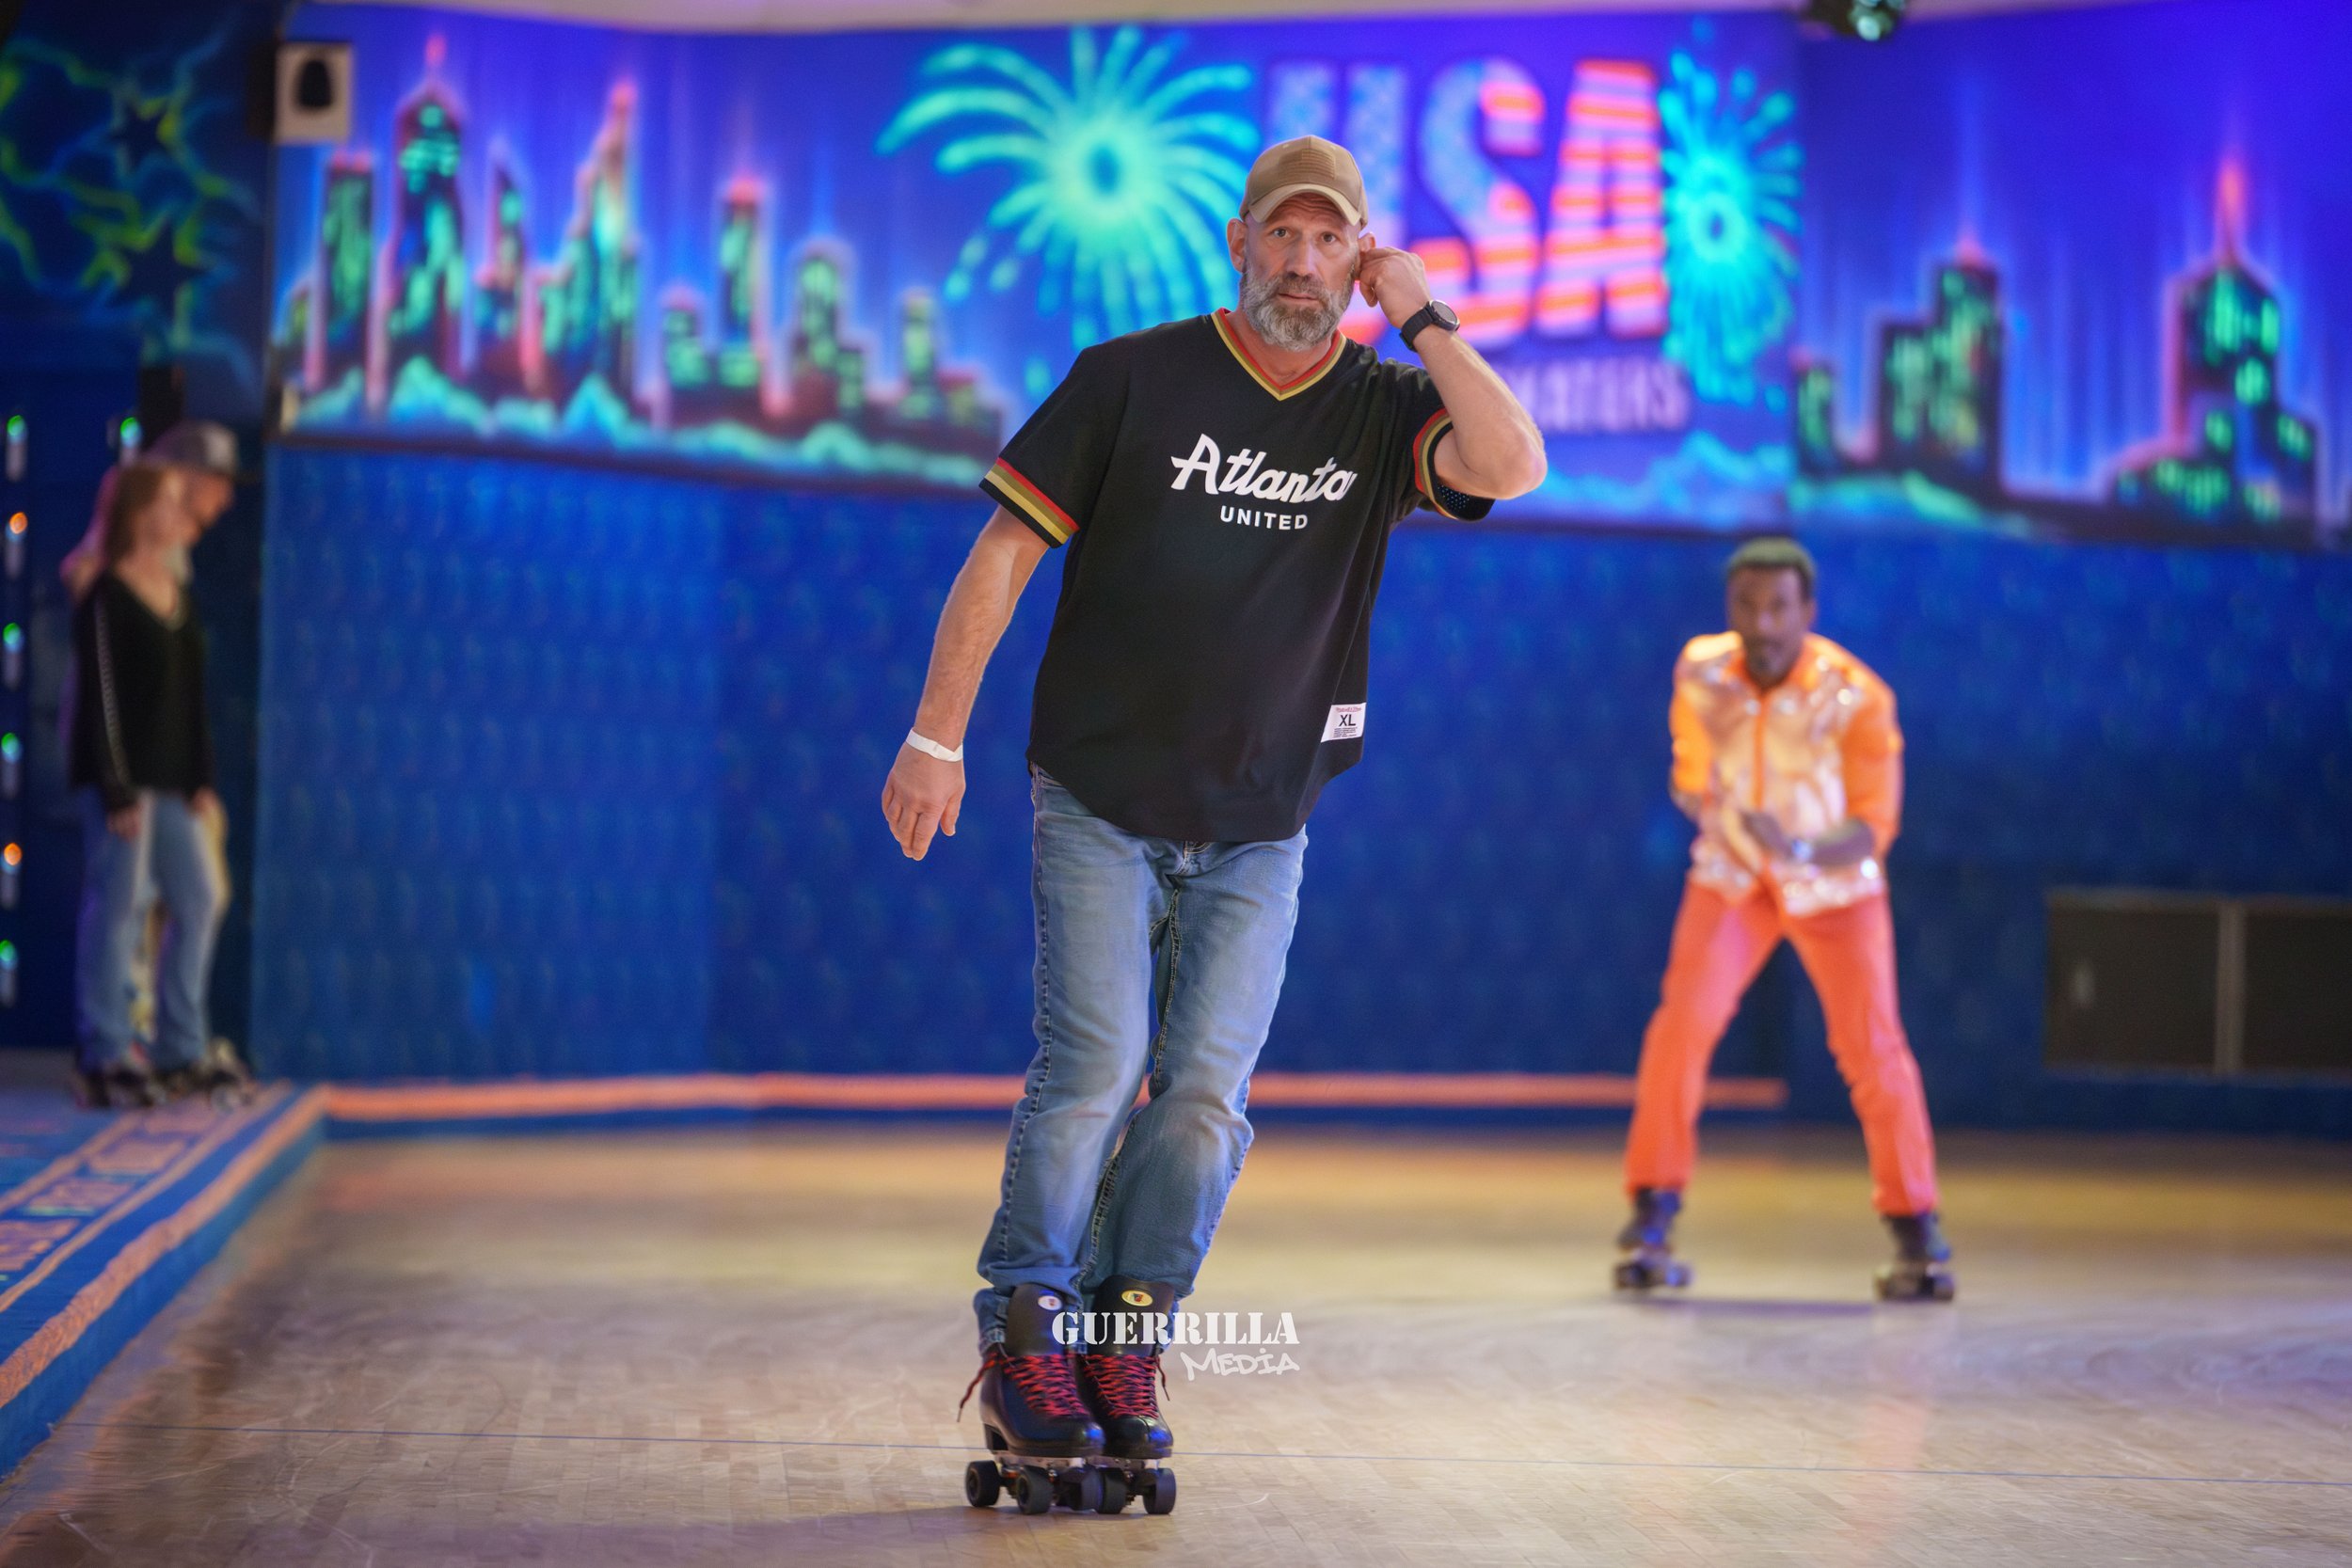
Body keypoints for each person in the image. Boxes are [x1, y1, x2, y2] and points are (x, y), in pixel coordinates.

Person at [884, 135, 1546, 1479]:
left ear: (1356, 257)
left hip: (1263, 818)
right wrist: (931, 734)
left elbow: (1515, 461)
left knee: (1202, 1098)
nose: (1303, 263)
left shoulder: (1379, 406)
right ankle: (1026, 1330)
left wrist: (1421, 311)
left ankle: (1127, 1328)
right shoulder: (1133, 377)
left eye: (1331, 240)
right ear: (1238, 244)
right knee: (1093, 1065)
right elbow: (1005, 549)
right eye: (1282, 236)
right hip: (1102, 795)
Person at [1613, 537, 1954, 1302]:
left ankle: (1918, 1233)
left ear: (1809, 612)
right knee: (1681, 1028)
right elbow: (1692, 770)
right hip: (1735, 877)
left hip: (1835, 886)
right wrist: (1711, 808)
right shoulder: (1702, 672)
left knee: (1872, 1048)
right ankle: (1650, 1218)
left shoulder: (1858, 697)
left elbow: (1874, 826)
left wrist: (1797, 844)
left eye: (1779, 606)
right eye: (1747, 605)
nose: (1762, 622)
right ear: (1730, 609)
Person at [60, 423, 251, 1102]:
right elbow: (102, 695)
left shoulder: (181, 580)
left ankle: (180, 1043)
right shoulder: (107, 587)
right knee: (121, 899)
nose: (215, 504)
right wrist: (115, 782)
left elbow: (189, 690)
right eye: (208, 489)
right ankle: (108, 1045)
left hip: (172, 775)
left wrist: (201, 776)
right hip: (124, 772)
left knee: (200, 894)